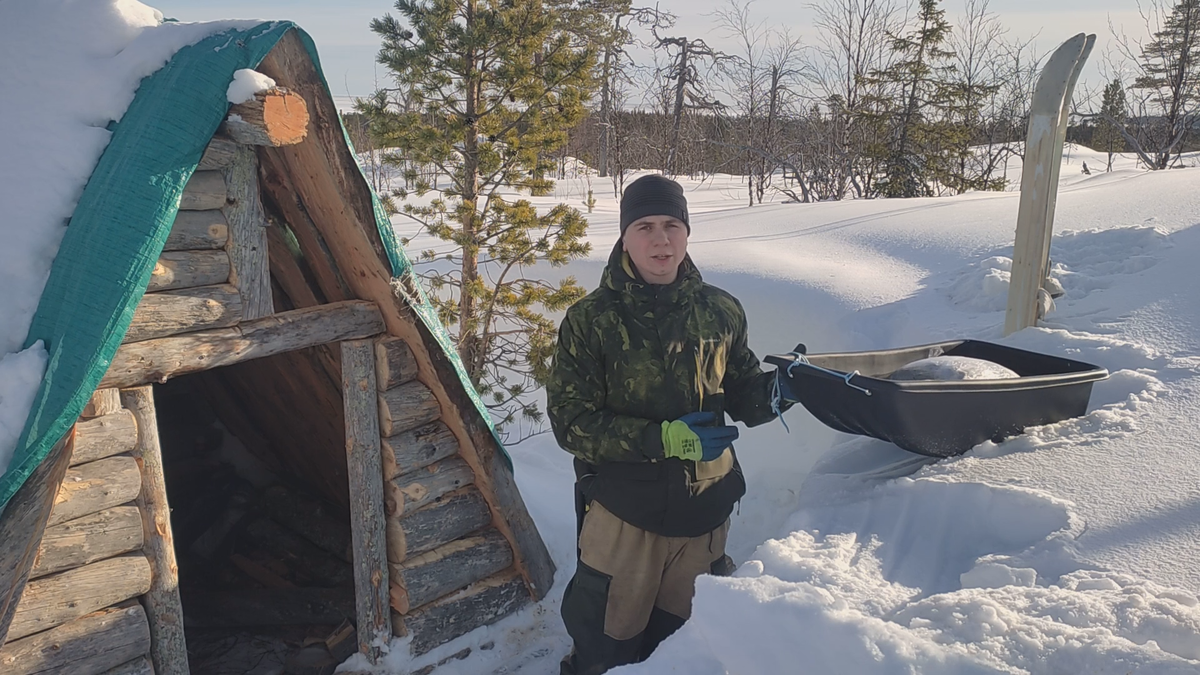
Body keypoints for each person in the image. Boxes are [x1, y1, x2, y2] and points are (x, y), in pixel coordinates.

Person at [547, 174, 800, 674]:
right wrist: (660, 439)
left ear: (687, 231)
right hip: (625, 517)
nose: (660, 239)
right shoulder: (592, 319)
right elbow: (571, 422)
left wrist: (783, 391)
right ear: (624, 236)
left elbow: (745, 393)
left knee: (683, 650)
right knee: (605, 648)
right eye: (645, 226)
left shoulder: (721, 310)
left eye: (671, 225)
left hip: (704, 516)